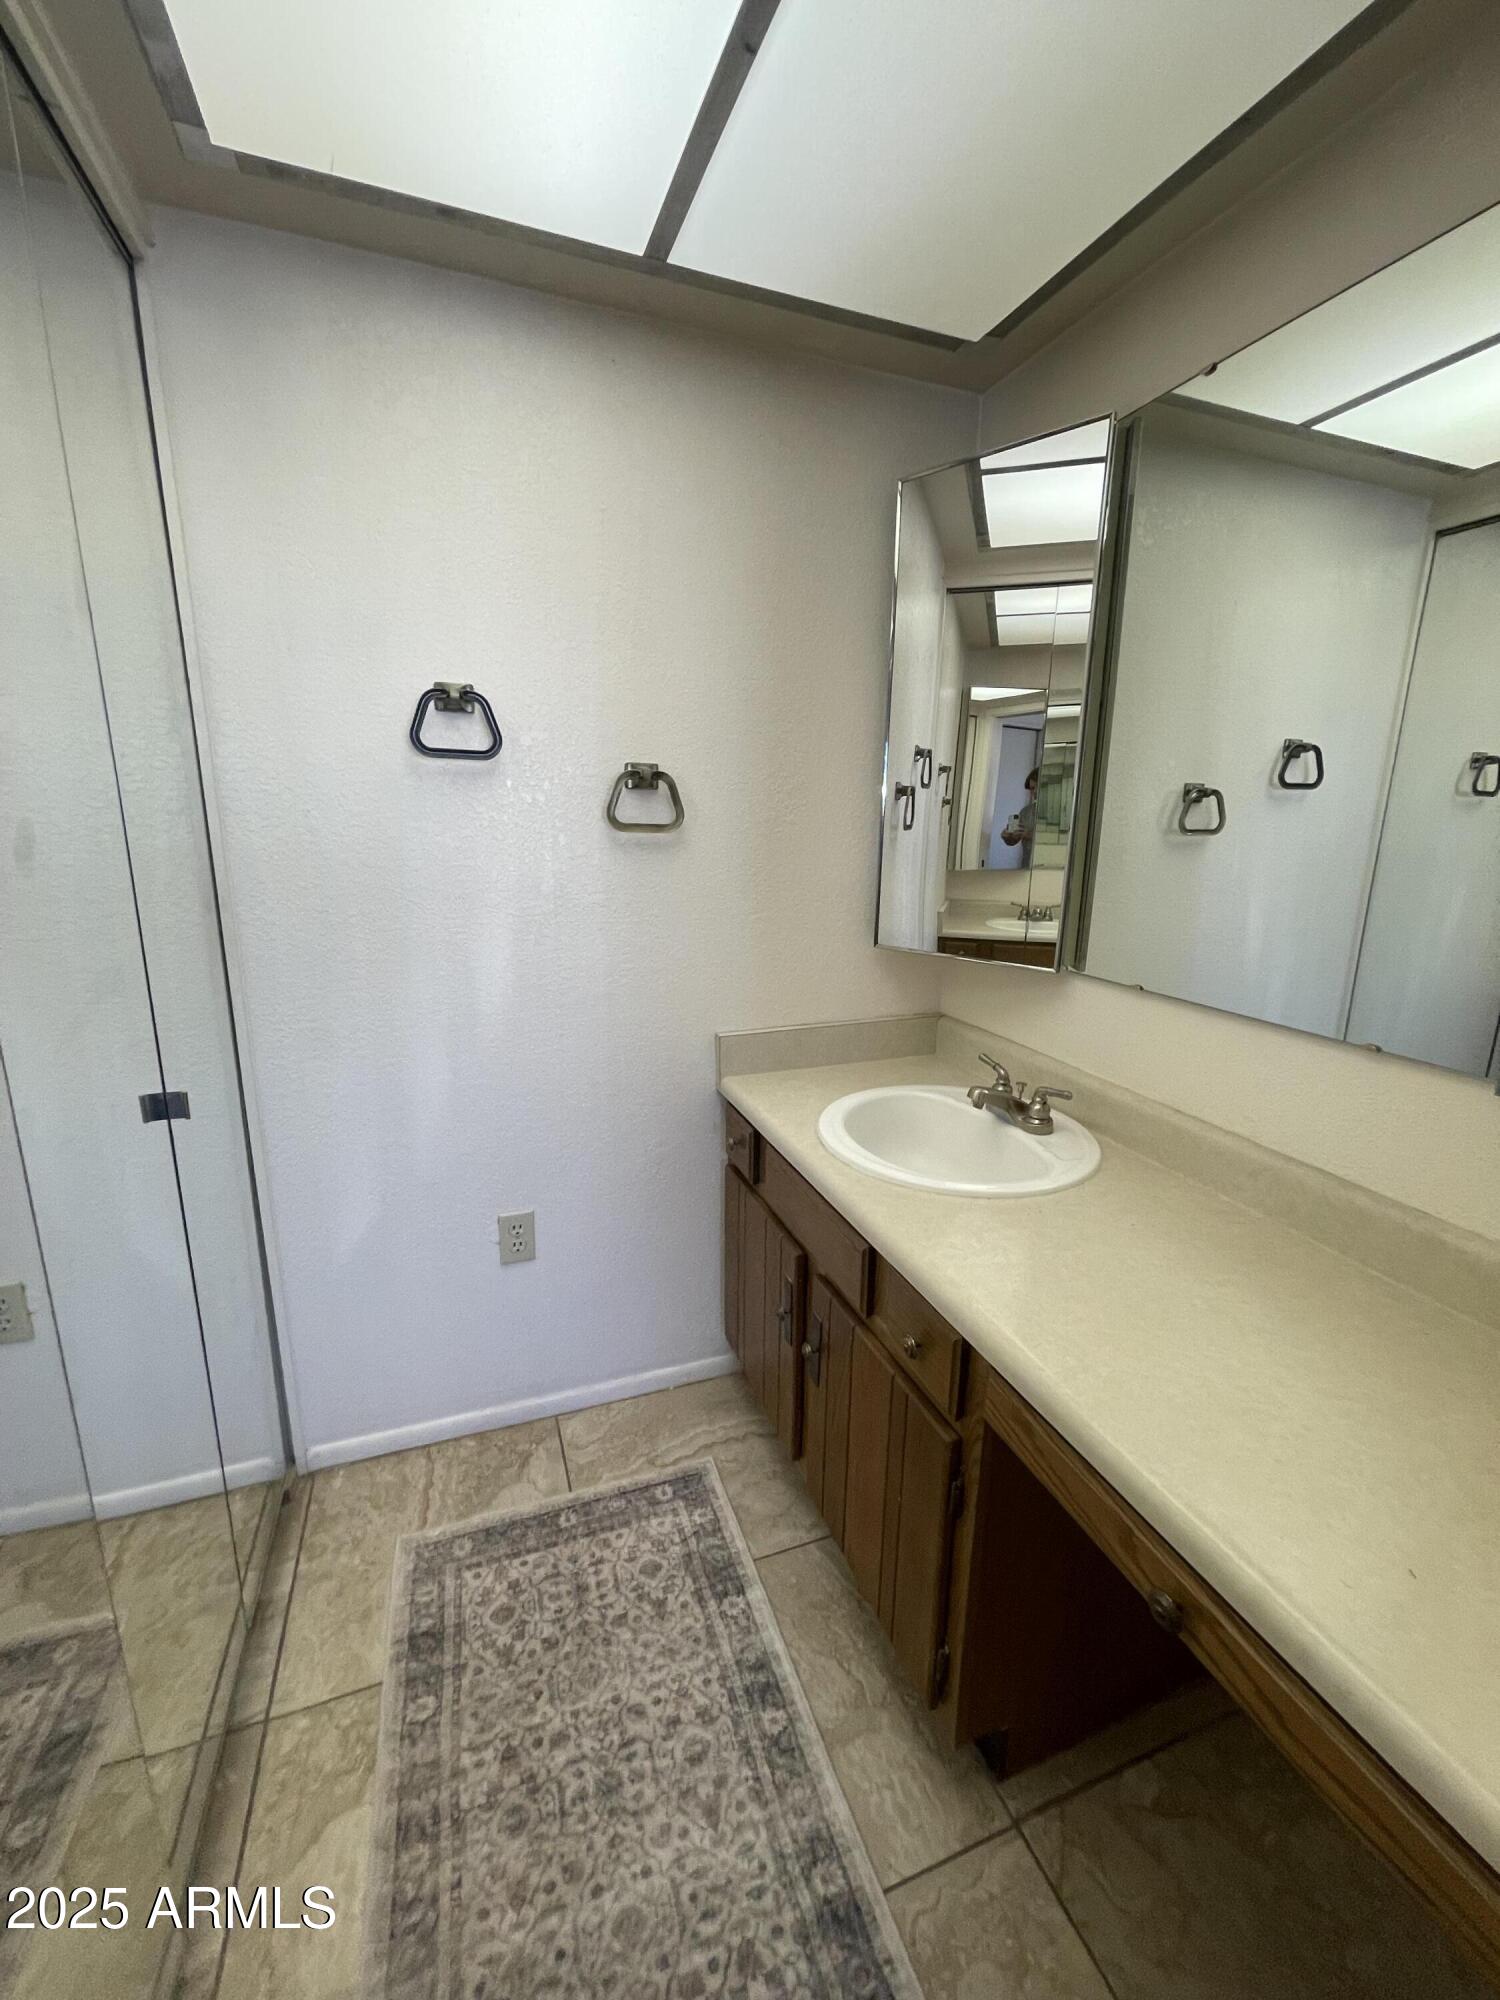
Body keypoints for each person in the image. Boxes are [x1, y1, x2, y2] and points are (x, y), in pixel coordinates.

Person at [1001, 767, 1038, 865]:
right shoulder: (1025, 812)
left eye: (1034, 788)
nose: (1032, 793)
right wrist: (1008, 837)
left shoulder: (1060, 813)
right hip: (1026, 867)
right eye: (1030, 789)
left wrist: (1028, 835)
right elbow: (1013, 841)